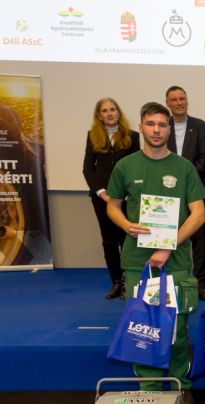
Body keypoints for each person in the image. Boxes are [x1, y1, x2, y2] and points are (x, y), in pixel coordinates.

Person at [106, 101, 205, 404]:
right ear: (141, 127)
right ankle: (149, 390)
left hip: (176, 263)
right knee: (143, 327)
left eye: (162, 125)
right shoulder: (126, 166)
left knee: (176, 331)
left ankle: (181, 387)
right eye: (151, 124)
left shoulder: (184, 167)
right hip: (138, 262)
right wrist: (126, 224)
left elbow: (198, 214)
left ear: (169, 129)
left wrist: (169, 245)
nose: (156, 130)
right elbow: (112, 205)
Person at [82, 97, 140, 299]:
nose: (109, 113)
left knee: (126, 239)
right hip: (101, 198)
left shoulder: (132, 136)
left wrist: (124, 194)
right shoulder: (92, 136)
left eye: (113, 109)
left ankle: (127, 282)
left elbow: (136, 166)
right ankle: (115, 282)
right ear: (99, 115)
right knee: (108, 240)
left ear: (118, 112)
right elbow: (88, 169)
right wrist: (102, 193)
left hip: (126, 198)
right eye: (105, 110)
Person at [165, 85, 205, 300]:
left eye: (182, 98)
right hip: (168, 193)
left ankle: (200, 283)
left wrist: (183, 179)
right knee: (169, 235)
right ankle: (169, 279)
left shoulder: (202, 127)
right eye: (174, 99)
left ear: (187, 100)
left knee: (199, 240)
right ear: (168, 103)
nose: (178, 103)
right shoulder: (162, 126)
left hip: (197, 191)